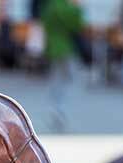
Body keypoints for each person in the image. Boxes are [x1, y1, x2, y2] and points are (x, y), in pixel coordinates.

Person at [42, 0, 85, 131]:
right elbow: (78, 25)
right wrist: (78, 8)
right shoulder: (67, 7)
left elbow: (45, 24)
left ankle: (55, 108)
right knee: (70, 80)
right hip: (66, 47)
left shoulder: (50, 5)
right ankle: (61, 109)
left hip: (53, 46)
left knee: (57, 79)